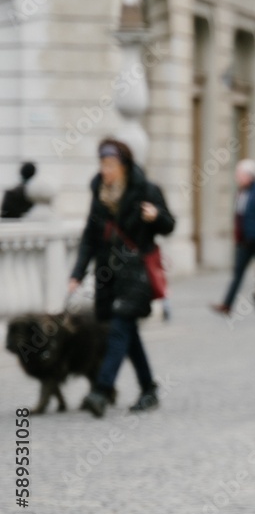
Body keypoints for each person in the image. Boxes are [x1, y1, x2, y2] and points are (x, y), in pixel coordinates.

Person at [70, 139, 175, 417]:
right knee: (127, 333)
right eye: (102, 164)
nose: (105, 170)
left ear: (123, 166)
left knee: (119, 328)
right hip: (109, 275)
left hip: (137, 272)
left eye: (110, 165)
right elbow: (90, 237)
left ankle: (102, 390)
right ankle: (149, 389)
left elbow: (169, 224)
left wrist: (156, 216)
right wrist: (77, 273)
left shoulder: (146, 190)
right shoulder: (99, 193)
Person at [212, 159, 255, 316]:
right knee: (237, 273)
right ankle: (227, 304)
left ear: (250, 176)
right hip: (243, 241)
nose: (237, 177)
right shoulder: (241, 192)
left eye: (240, 174)